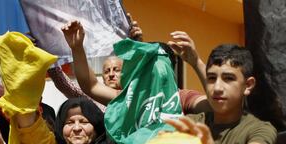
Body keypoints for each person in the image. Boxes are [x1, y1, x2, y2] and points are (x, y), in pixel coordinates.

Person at [60, 20, 209, 114]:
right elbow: (90, 86)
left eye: (153, 65)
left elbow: (216, 105)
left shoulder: (182, 98)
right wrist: (77, 48)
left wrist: (197, 63)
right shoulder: (130, 98)